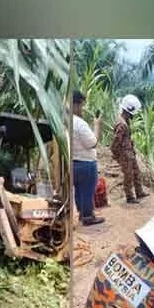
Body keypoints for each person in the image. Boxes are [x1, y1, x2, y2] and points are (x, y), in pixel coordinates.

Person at [71, 91, 105, 226]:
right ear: (76, 104)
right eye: (82, 105)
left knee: (79, 190)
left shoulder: (64, 120)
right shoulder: (79, 123)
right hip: (85, 163)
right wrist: (97, 126)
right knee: (87, 190)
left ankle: (81, 213)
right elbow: (92, 142)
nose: (82, 109)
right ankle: (87, 216)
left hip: (73, 163)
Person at [110, 94, 149, 204]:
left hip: (129, 152)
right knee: (128, 175)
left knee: (136, 172)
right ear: (128, 111)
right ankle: (130, 197)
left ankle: (139, 191)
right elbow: (115, 142)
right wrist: (117, 155)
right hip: (125, 154)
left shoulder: (125, 121)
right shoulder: (121, 124)